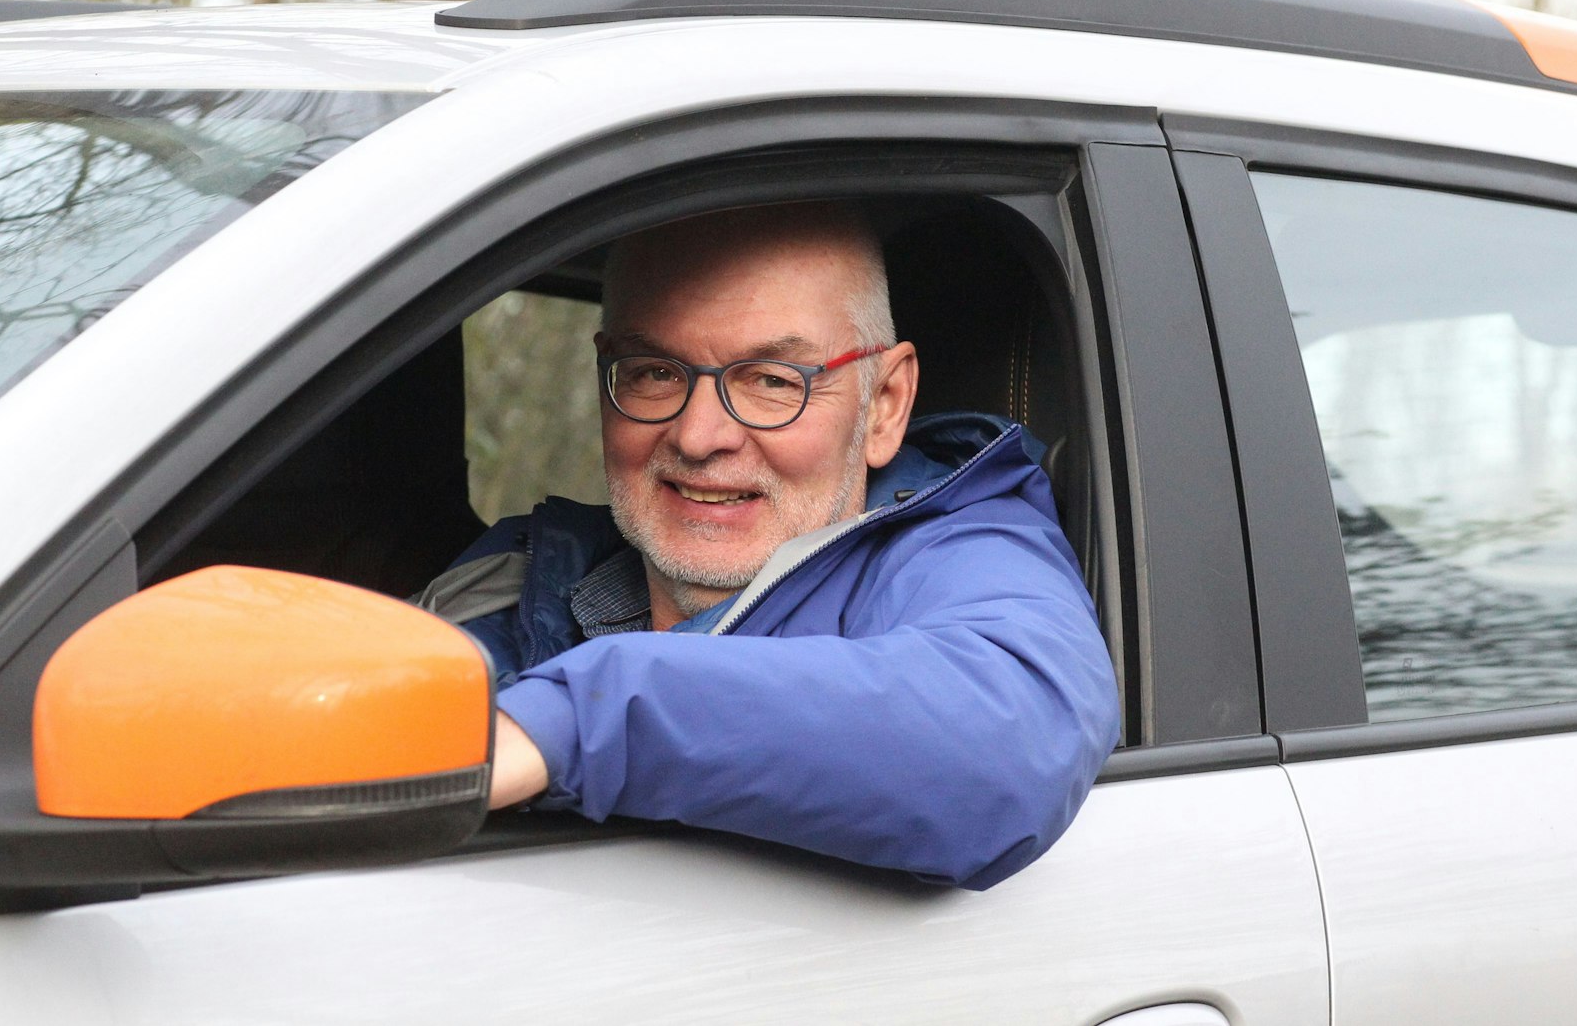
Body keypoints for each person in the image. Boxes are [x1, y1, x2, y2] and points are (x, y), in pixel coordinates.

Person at [413, 201, 1119, 889]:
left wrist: (580, 716)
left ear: (886, 405)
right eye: (655, 371)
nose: (698, 435)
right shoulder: (520, 573)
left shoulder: (964, 548)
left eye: (773, 381)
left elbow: (1006, 742)